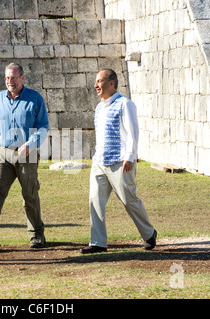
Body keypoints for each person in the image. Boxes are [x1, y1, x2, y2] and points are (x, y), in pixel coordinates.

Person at [80, 69, 157, 254]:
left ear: (112, 83)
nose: (95, 85)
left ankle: (149, 233)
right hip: (100, 162)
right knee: (95, 201)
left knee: (128, 200)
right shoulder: (99, 107)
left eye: (100, 81)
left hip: (120, 163)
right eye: (96, 81)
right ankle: (98, 242)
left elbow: (132, 132)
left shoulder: (125, 104)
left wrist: (130, 156)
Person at [0, 63, 49, 249]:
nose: (10, 82)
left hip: (27, 153)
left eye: (14, 78)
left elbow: (43, 127)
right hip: (3, 153)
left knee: (30, 194)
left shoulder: (35, 98)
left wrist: (30, 144)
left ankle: (37, 235)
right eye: (7, 78)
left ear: (22, 78)